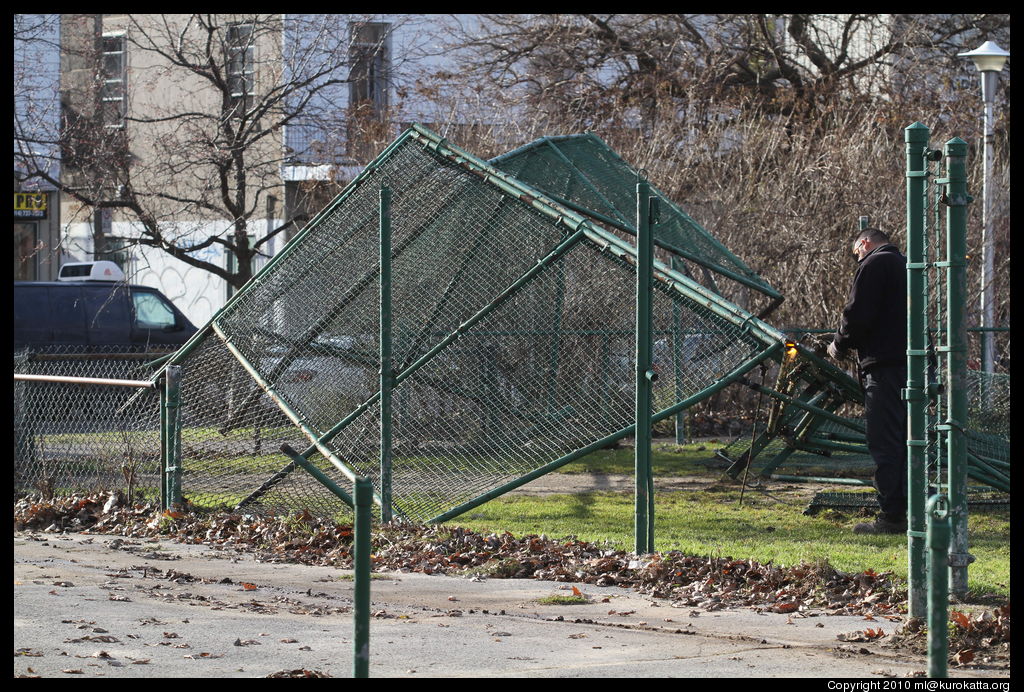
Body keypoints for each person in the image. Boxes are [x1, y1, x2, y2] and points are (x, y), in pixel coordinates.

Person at [827, 228, 908, 535]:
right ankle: (912, 509)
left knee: (885, 443)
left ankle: (891, 516)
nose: (857, 257)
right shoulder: (904, 263)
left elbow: (858, 314)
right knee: (908, 442)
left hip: (884, 366)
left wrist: (839, 344)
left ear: (864, 243)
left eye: (856, 252)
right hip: (910, 364)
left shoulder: (874, 264)